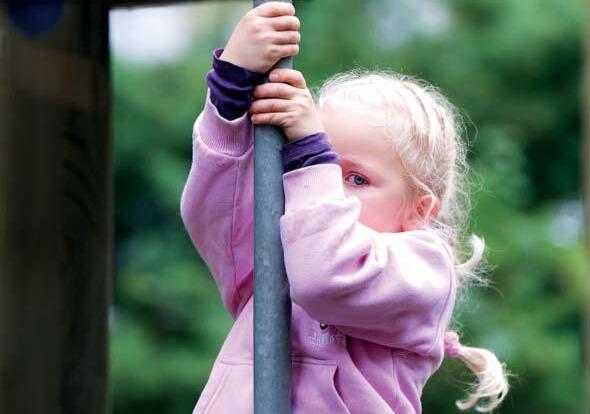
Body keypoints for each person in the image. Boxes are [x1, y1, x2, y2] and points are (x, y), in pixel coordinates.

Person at [180, 2, 510, 413]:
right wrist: (229, 91)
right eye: (311, 165)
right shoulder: (290, 242)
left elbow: (323, 277)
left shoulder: (424, 271)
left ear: (419, 211)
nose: (324, 187)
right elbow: (217, 215)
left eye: (356, 179)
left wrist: (311, 153)